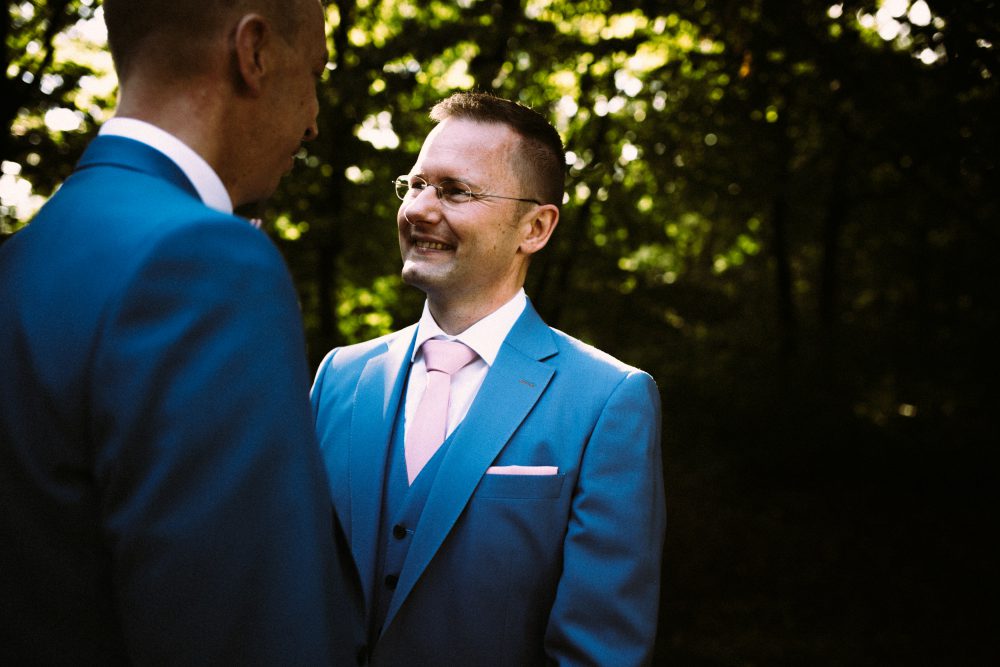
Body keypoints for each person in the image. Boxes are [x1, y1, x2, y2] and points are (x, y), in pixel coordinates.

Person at [0, 1, 362, 664]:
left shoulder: (20, 258)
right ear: (253, 53)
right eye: (313, 73)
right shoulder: (204, 262)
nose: (313, 123)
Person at [311, 92, 666, 666]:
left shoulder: (607, 401)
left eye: (455, 191)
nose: (419, 209)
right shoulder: (339, 379)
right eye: (416, 184)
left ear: (535, 227)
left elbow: (598, 652)